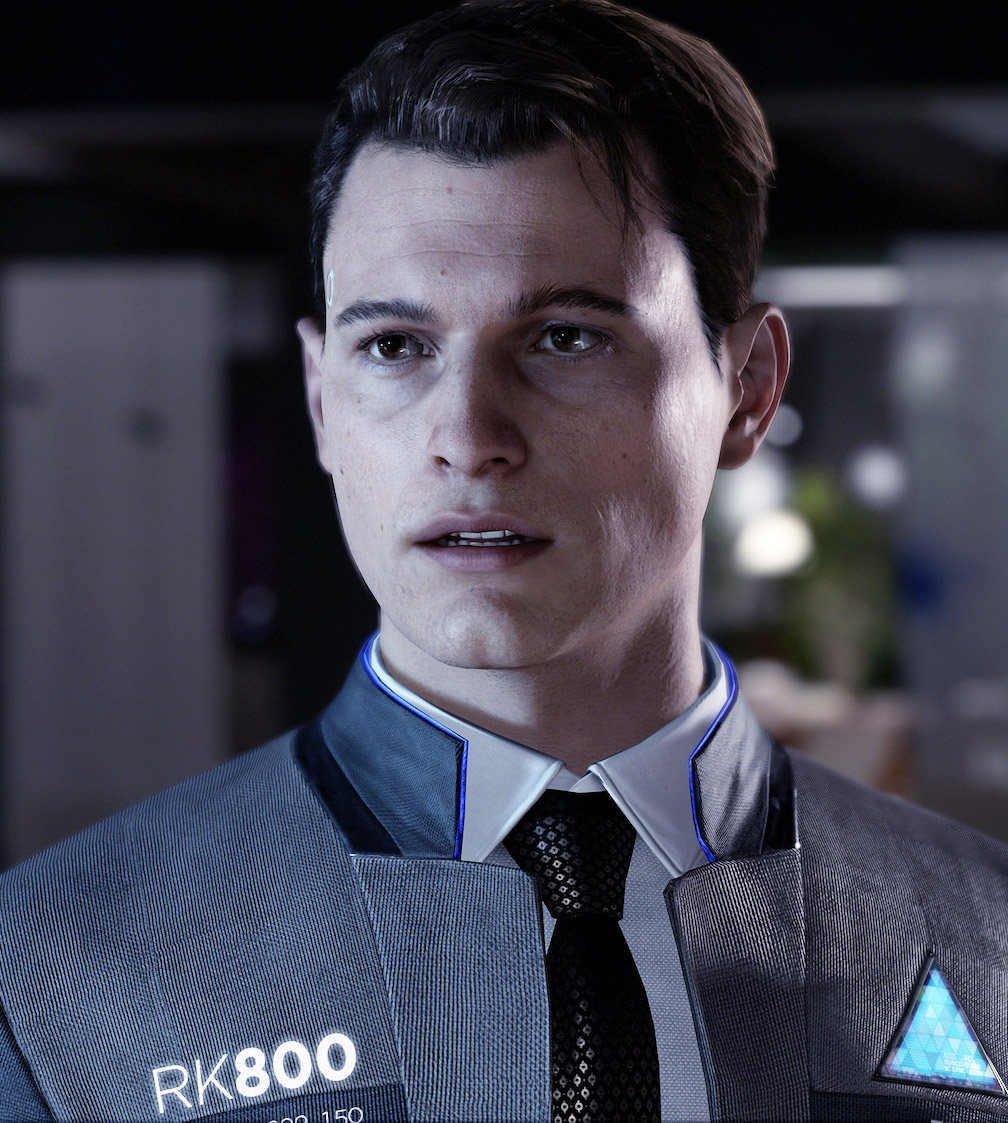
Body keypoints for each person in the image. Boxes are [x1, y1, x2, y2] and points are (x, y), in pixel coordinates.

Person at [2, 1, 1007, 1120]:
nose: (469, 436)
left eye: (565, 338)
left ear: (748, 391)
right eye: (395, 346)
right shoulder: (47, 979)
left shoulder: (988, 939)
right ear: (323, 401)